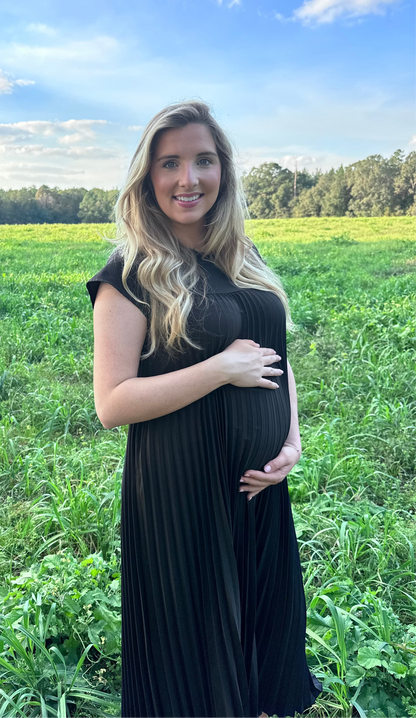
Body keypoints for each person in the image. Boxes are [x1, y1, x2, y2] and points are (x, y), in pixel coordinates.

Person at [86, 100, 323, 718]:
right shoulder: (130, 275)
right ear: (148, 177)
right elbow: (112, 402)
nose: (188, 179)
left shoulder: (243, 261)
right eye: (170, 163)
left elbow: (278, 359)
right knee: (189, 656)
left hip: (257, 490)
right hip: (181, 492)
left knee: (258, 636)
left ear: (224, 171)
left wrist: (291, 445)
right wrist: (219, 368)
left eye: (203, 160)